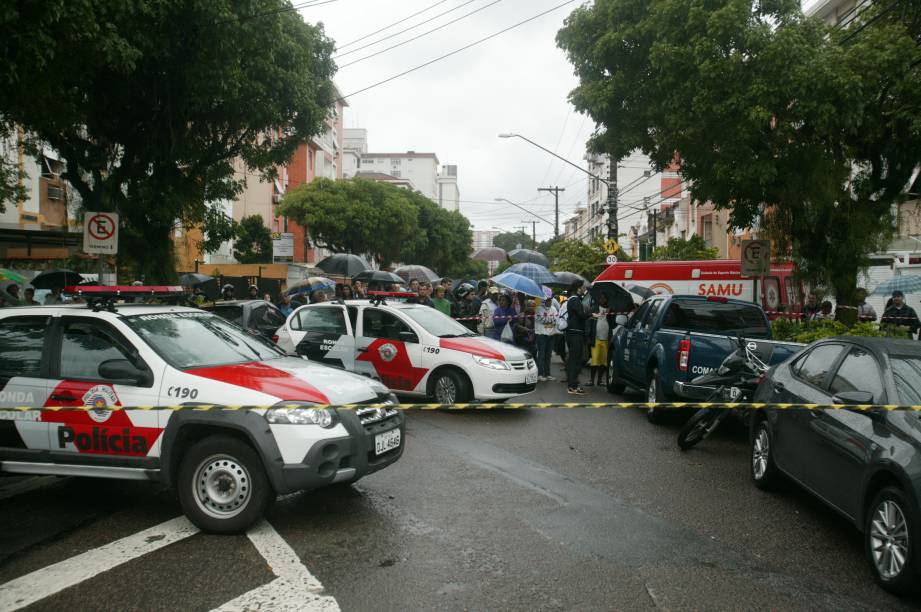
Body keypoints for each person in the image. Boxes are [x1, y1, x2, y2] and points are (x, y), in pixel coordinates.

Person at [564, 281, 589, 395]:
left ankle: (572, 384)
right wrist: (591, 313)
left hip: (573, 333)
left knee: (574, 359)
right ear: (578, 288)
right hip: (575, 334)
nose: (584, 289)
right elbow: (581, 315)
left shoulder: (573, 299)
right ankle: (573, 386)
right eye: (583, 287)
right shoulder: (575, 300)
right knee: (575, 360)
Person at [587, 293, 611, 387]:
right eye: (601, 298)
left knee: (604, 362)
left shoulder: (610, 310)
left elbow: (613, 324)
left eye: (604, 298)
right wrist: (588, 337)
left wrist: (610, 315)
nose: (603, 300)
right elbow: (589, 321)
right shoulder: (594, 308)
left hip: (606, 339)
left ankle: (600, 380)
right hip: (595, 338)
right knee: (595, 360)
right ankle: (591, 380)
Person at [534, 295, 557, 381]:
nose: (549, 302)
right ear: (544, 300)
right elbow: (542, 320)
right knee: (541, 355)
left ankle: (547, 374)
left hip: (551, 334)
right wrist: (551, 320)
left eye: (550, 300)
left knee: (548, 355)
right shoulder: (538, 309)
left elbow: (556, 319)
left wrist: (550, 320)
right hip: (542, 334)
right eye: (547, 300)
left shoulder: (553, 309)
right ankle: (540, 374)